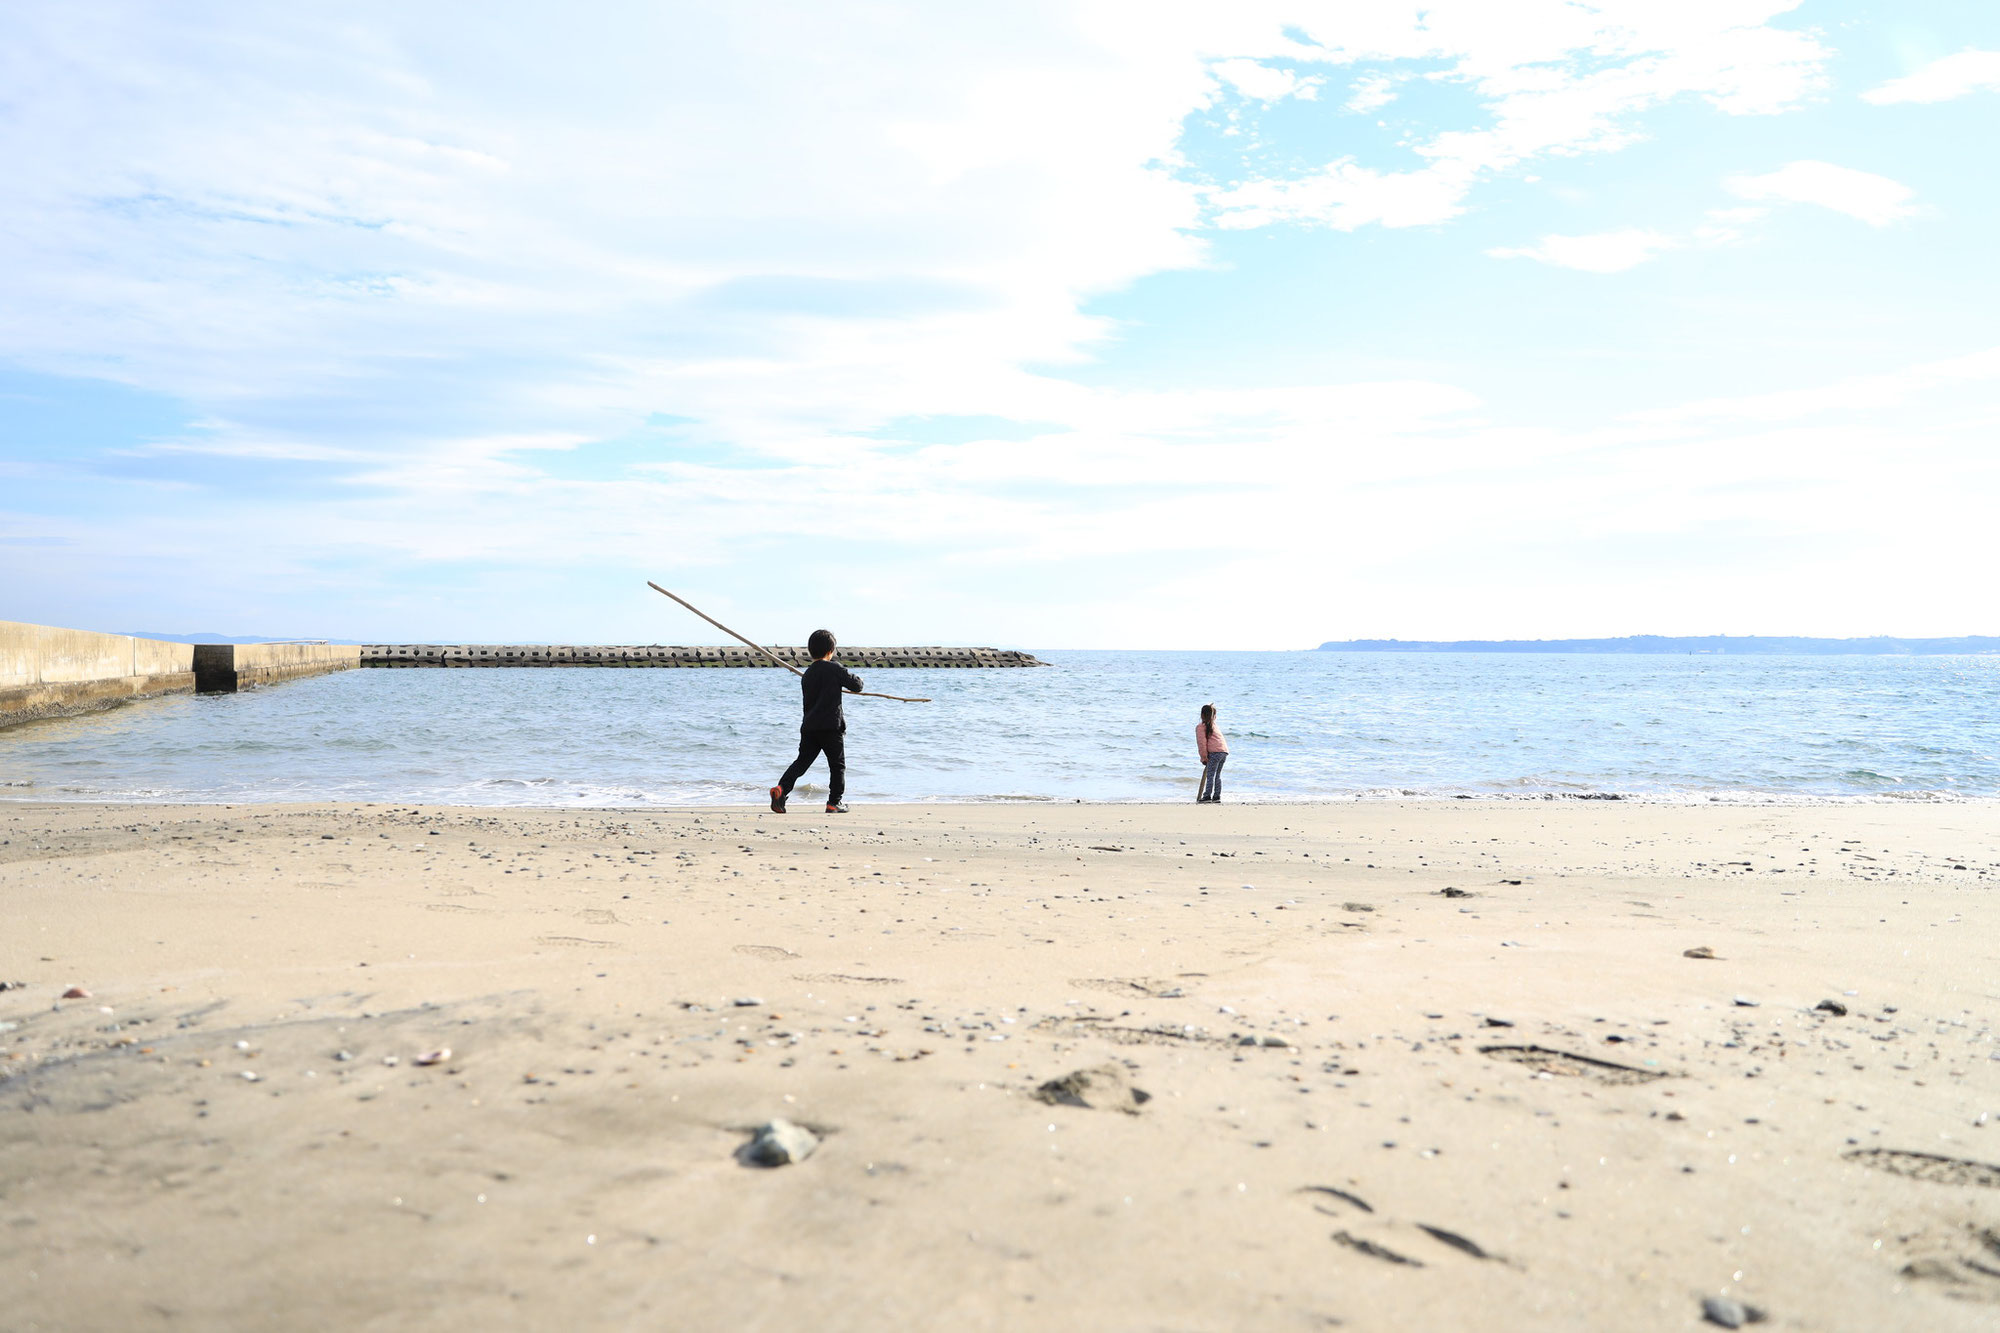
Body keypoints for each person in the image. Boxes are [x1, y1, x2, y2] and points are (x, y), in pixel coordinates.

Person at [770, 628, 864, 814]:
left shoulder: (808, 674)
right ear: (831, 651)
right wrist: (842, 673)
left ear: (811, 651)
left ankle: (781, 789)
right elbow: (857, 685)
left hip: (810, 727)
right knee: (837, 766)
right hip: (830, 727)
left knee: (801, 763)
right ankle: (834, 802)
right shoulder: (835, 668)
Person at [1195, 702, 1228, 803]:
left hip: (1214, 752)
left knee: (1210, 775)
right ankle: (1217, 796)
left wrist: (1204, 758)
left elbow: (1202, 744)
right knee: (1217, 775)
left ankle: (1207, 796)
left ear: (1202, 715)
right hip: (1224, 751)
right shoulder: (1214, 725)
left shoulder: (1201, 727)